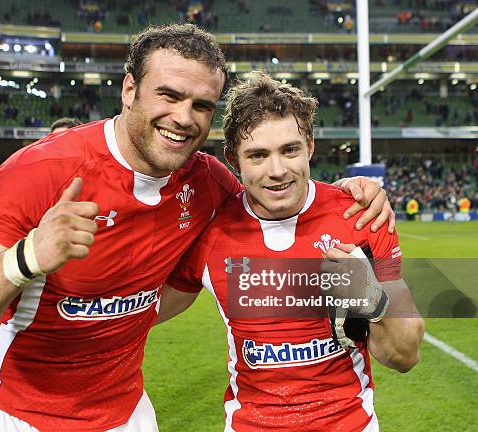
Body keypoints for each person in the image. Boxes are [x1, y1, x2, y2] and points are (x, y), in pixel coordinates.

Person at [0, 24, 394, 432]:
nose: (183, 118)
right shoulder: (45, 170)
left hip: (127, 412)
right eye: (168, 95)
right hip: (17, 413)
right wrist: (28, 258)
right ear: (129, 91)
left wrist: (352, 191)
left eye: (202, 105)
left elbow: (276, 186)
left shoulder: (208, 182)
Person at [163, 72, 424, 431]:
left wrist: (372, 300)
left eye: (290, 150)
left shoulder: (360, 218)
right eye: (257, 155)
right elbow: (132, 315)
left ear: (311, 146)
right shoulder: (209, 235)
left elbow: (405, 355)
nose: (277, 171)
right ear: (233, 159)